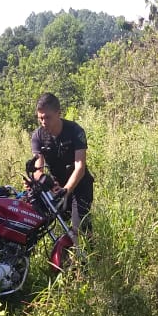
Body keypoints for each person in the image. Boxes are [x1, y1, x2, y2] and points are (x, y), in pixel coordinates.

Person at [30, 92, 93, 235]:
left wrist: (66, 190)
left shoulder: (75, 131)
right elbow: (37, 169)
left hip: (79, 186)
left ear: (58, 113)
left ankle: (88, 256)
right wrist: (44, 180)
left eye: (47, 117)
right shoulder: (38, 136)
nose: (44, 122)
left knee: (80, 230)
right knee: (45, 225)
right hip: (56, 187)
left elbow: (80, 167)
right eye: (40, 118)